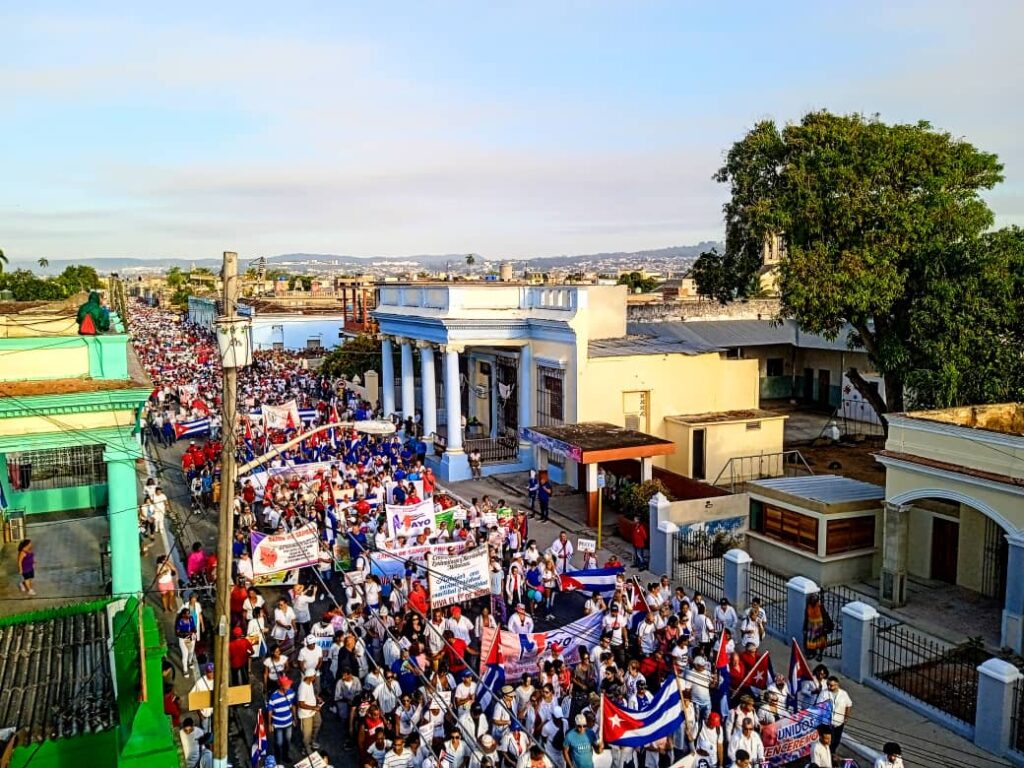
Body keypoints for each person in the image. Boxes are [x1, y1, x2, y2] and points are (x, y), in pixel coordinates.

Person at [816, 676, 853, 752]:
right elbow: (819, 706)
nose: (829, 687)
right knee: (828, 741)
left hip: (839, 723)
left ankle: (832, 752)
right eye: (828, 685)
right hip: (827, 723)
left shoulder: (844, 694)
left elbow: (848, 705)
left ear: (837, 685)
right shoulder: (824, 693)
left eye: (831, 685)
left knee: (836, 740)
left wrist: (846, 717)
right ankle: (828, 753)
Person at [267, 677, 297, 762]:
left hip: (288, 722)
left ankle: (285, 756)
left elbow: (293, 706)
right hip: (278, 724)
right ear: (281, 686)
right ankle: (278, 757)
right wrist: (270, 724)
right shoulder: (274, 696)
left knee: (287, 741)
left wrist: (294, 718)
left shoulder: (291, 693)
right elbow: (270, 711)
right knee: (279, 742)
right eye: (287, 684)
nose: (289, 685)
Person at [297, 671, 324, 752]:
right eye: (314, 676)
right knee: (307, 733)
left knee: (318, 723)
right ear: (309, 676)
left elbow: (311, 694)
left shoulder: (310, 683)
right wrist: (314, 708)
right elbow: (301, 704)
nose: (315, 677)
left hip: (313, 711)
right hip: (306, 714)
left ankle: (312, 742)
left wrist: (317, 697)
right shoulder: (302, 687)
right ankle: (307, 749)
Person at [803, 593, 833, 661]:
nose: (813, 600)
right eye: (812, 599)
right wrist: (805, 628)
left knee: (820, 642)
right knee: (812, 642)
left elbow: (825, 616)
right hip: (811, 627)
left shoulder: (820, 607)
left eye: (814, 599)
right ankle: (813, 653)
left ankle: (820, 655)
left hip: (820, 627)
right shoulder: (808, 607)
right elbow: (806, 618)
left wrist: (825, 627)